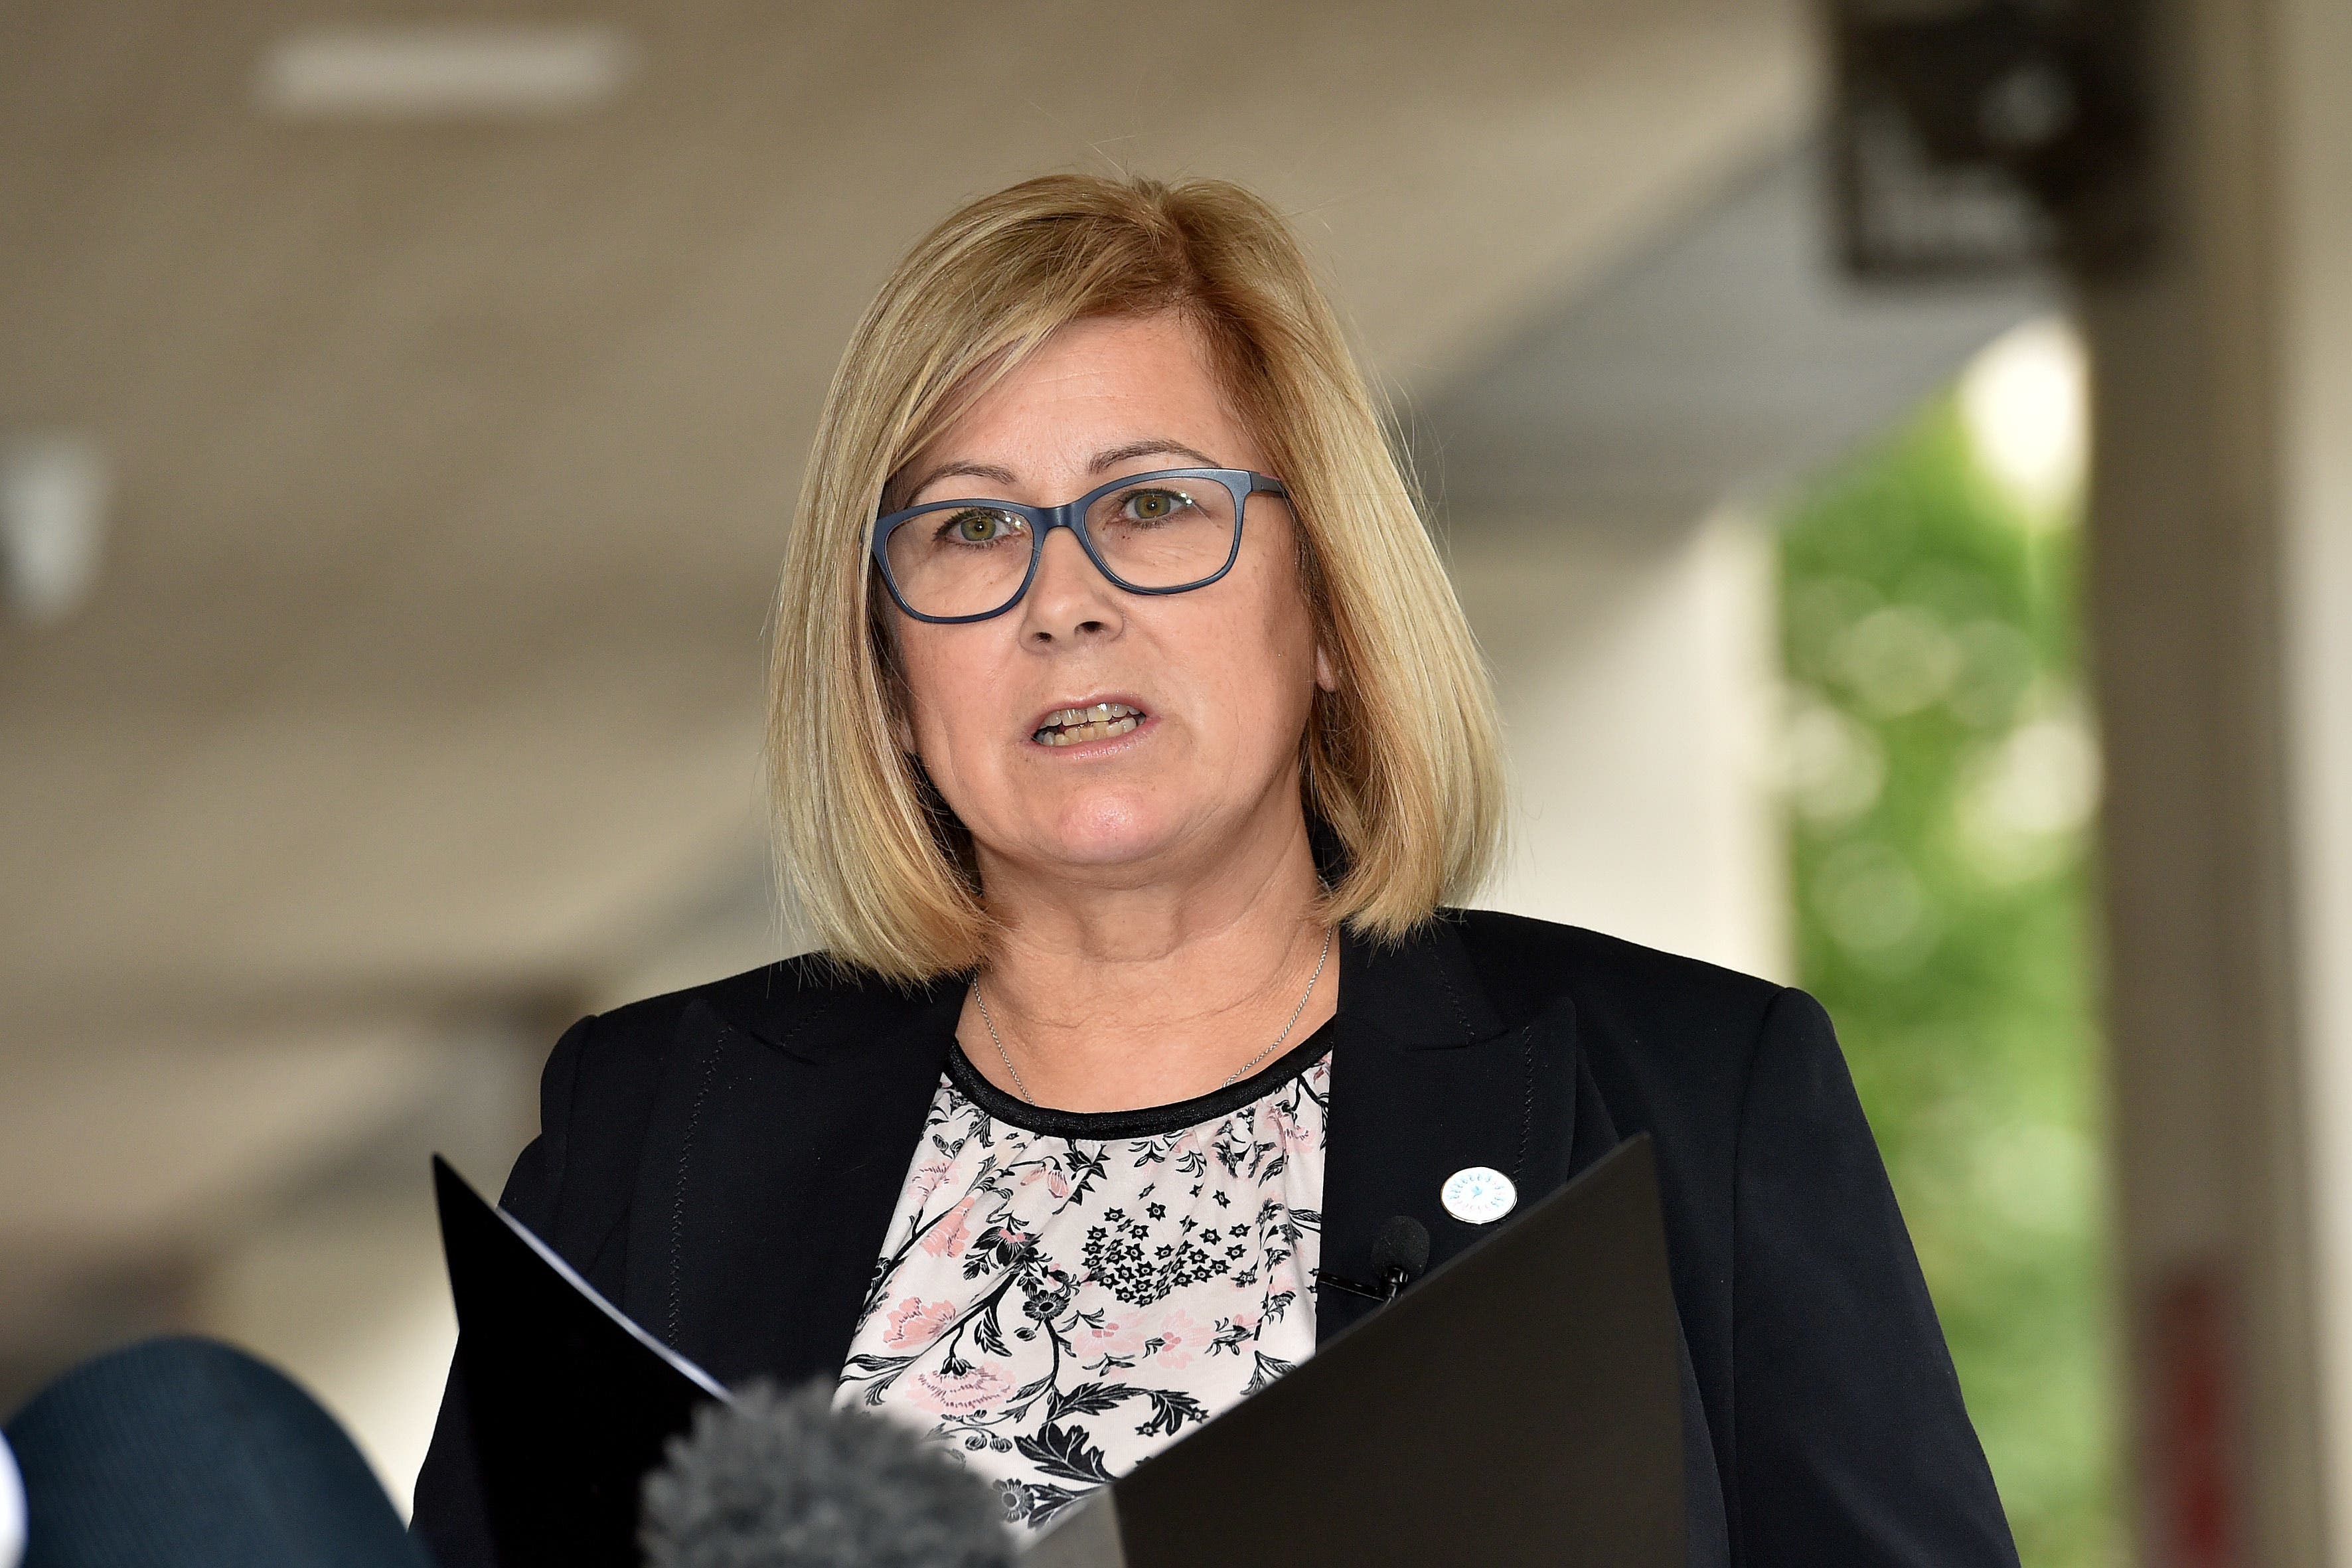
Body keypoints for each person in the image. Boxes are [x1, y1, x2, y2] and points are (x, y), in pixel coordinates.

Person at [412, 174, 2018, 1567]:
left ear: (1325, 609)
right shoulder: (657, 1120)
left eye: (1153, 505)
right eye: (970, 532)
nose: (1065, 601)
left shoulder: (1696, 1098)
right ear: (891, 670)